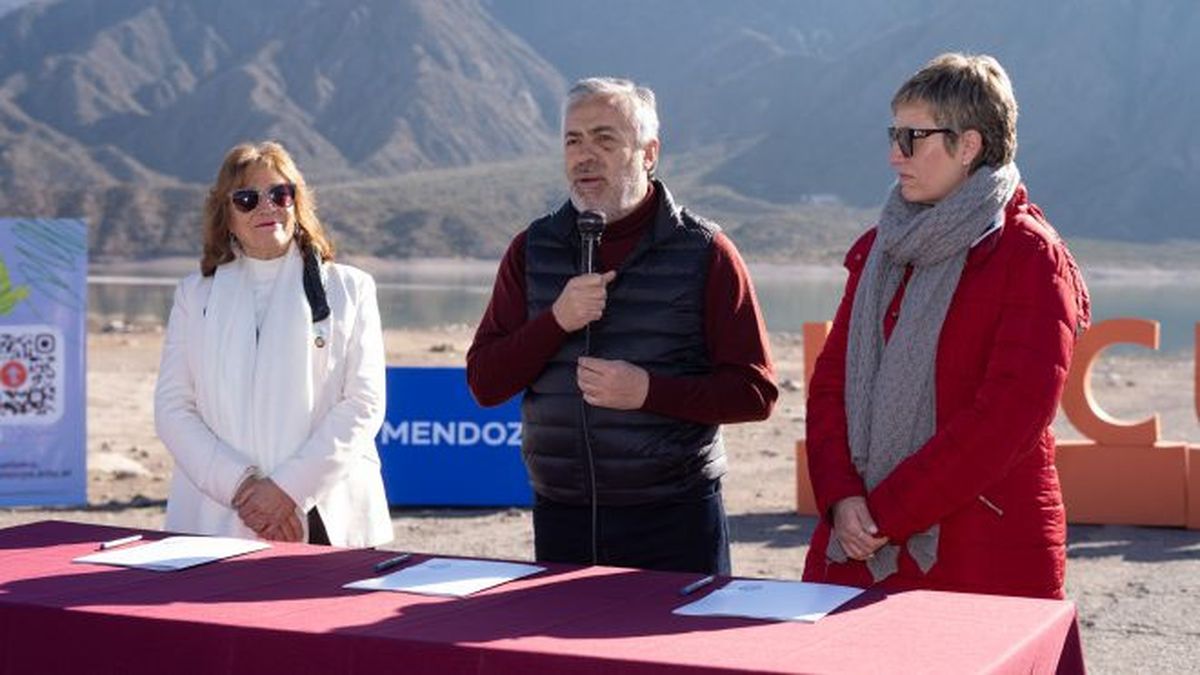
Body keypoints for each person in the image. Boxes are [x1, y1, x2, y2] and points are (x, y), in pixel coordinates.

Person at [803, 53, 1090, 599]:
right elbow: (830, 385)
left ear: (969, 146)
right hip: (858, 542)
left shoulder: (1029, 257)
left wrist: (884, 513)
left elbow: (1006, 419)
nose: (894, 155)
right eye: (893, 135)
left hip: (982, 554)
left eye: (913, 137)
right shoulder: (880, 250)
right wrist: (843, 498)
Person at [467, 77, 777, 575]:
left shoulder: (705, 253)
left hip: (674, 520)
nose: (585, 156)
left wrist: (648, 391)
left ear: (649, 153)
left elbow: (755, 393)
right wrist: (556, 322)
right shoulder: (532, 249)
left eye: (605, 139)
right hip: (561, 516)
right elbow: (485, 382)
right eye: (573, 140)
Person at [154, 141, 393, 547]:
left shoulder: (350, 289)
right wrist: (245, 490)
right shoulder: (195, 296)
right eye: (247, 198)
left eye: (280, 194)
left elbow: (363, 404)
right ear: (225, 215)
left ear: (297, 203)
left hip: (326, 515)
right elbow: (173, 407)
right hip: (219, 514)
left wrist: (287, 491)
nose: (267, 207)